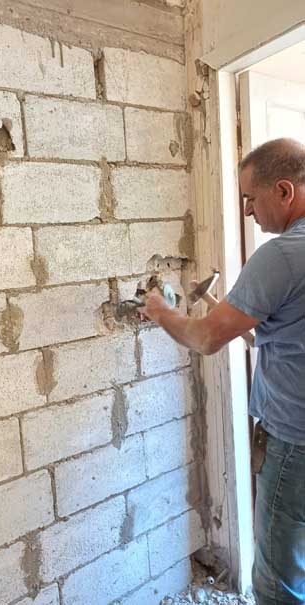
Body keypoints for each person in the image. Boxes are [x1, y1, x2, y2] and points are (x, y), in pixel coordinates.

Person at [140, 138, 305, 605]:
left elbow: (205, 339)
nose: (248, 210)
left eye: (251, 198)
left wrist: (161, 311)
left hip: (294, 442)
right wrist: (244, 321)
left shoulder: (283, 255)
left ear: (284, 191)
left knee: (279, 580)